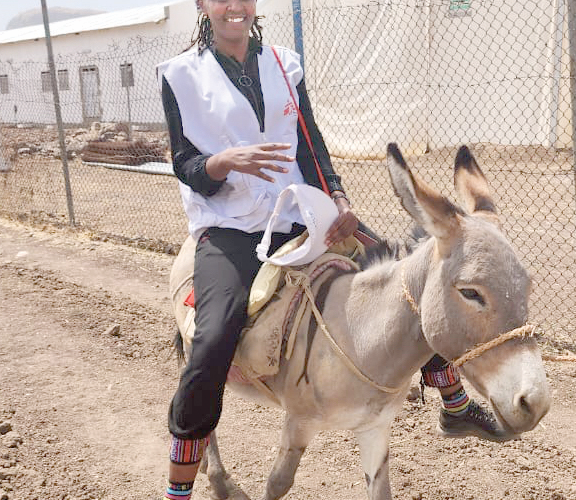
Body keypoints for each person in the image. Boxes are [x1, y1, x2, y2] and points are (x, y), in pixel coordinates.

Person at [157, 1, 506, 498]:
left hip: (302, 211)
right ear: (201, 5)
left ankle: (453, 404)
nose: (233, 5)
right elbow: (185, 162)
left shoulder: (283, 64)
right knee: (212, 340)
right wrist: (223, 162)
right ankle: (181, 489)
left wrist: (338, 198)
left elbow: (310, 146)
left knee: (409, 275)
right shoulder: (180, 75)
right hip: (231, 227)